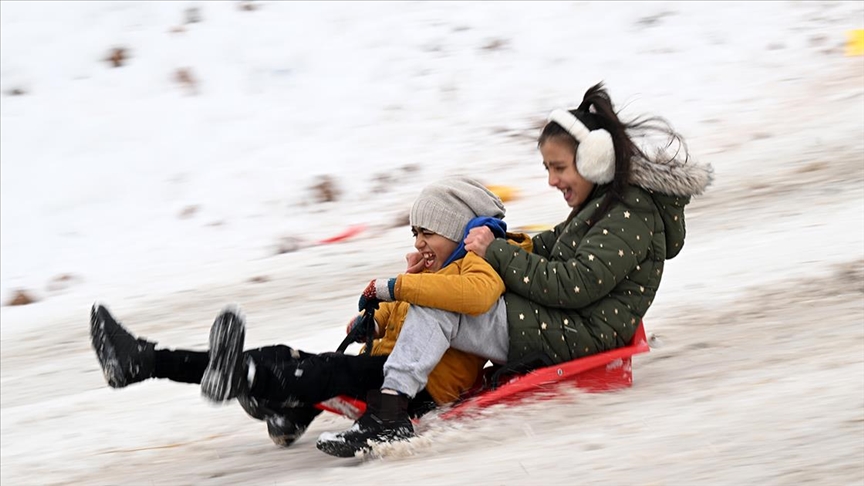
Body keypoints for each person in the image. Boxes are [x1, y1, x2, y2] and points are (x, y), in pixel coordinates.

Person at [317, 82, 713, 457]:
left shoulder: (628, 215)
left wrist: (500, 254)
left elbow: (575, 284)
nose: (552, 180)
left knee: (440, 303)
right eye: (547, 169)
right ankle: (398, 389)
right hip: (568, 322)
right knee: (451, 293)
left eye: (558, 167)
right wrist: (503, 244)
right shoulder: (607, 207)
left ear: (595, 160)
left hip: (582, 332)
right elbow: (552, 245)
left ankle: (390, 411)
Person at [89, 176, 531, 447]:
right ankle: (145, 361)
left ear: (458, 230)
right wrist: (376, 318)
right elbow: (410, 323)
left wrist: (403, 286)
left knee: (316, 371)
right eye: (415, 233)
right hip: (390, 367)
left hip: (421, 388)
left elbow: (471, 300)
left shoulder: (475, 265)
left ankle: (248, 382)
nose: (417, 243)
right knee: (288, 356)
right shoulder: (435, 273)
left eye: (427, 233)